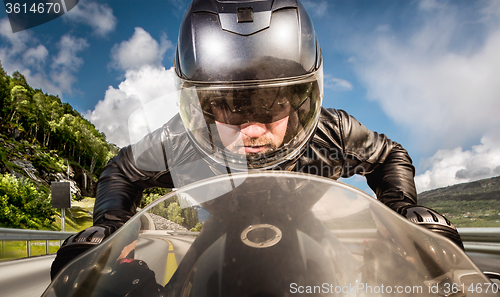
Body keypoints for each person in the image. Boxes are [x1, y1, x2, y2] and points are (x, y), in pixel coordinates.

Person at [51, 0, 463, 283]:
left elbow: (390, 155)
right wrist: (109, 229)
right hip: (218, 235)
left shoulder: (332, 130)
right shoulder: (180, 139)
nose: (250, 129)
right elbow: (122, 170)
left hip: (310, 229)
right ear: (199, 106)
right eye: (227, 108)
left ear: (302, 99)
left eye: (271, 105)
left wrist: (404, 212)